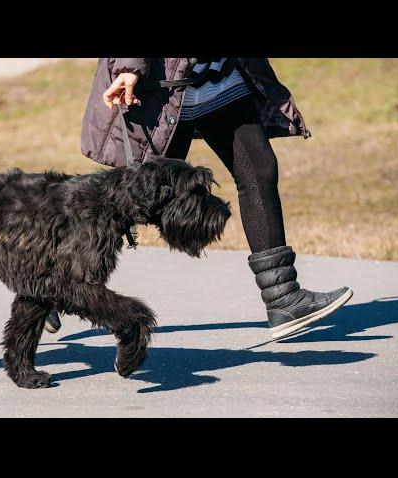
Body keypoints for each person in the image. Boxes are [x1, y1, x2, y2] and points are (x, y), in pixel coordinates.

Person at [44, 58, 352, 339]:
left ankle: (284, 297)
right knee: (127, 205)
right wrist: (128, 66)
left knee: (259, 170)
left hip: (220, 79)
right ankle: (51, 289)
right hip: (165, 87)